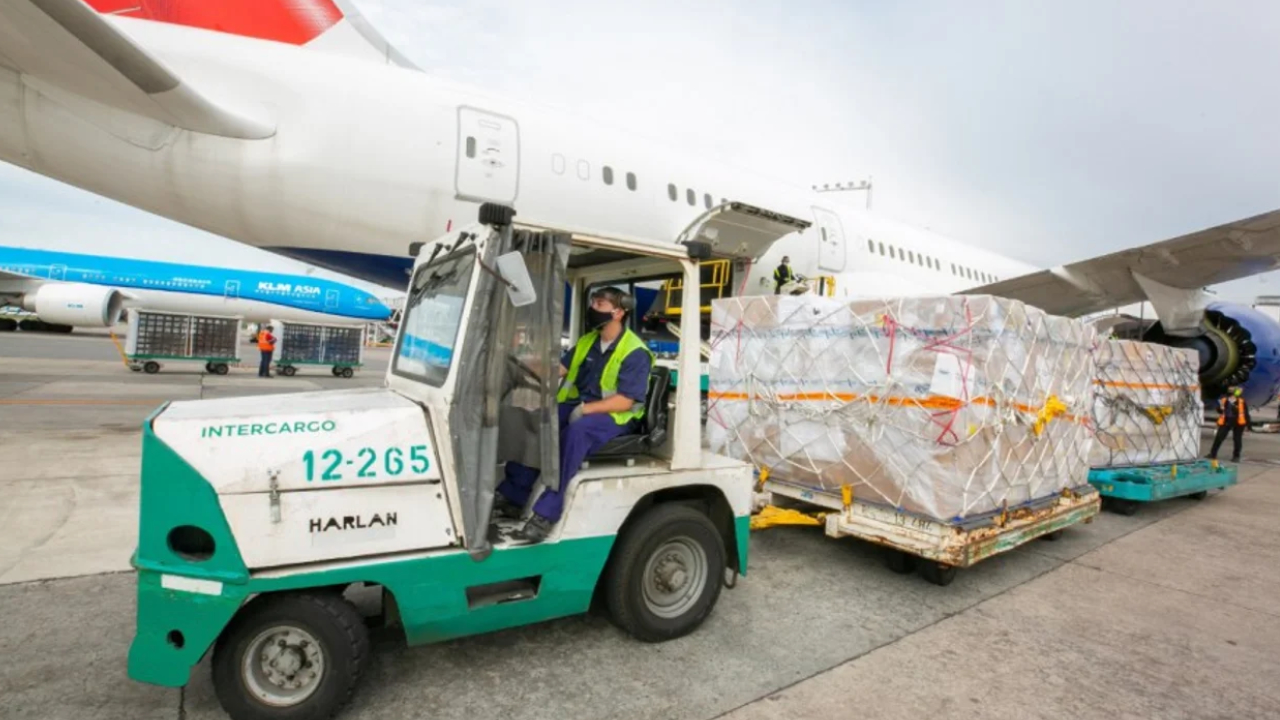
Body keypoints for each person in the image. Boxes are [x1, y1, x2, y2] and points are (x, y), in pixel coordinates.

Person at [495, 286, 654, 542]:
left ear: (619, 311)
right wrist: (520, 363)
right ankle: (514, 495)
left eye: (600, 304)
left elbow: (625, 401)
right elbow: (559, 368)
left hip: (616, 417)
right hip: (584, 406)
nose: (593, 309)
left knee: (575, 433)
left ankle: (547, 513)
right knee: (539, 419)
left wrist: (585, 409)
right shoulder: (588, 341)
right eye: (593, 303)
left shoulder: (634, 351)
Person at [1207, 386, 1250, 462]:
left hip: (1238, 423)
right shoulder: (1224, 400)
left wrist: (1248, 425)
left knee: (1237, 439)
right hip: (1226, 421)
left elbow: (1245, 413)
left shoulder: (1241, 401)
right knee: (1219, 437)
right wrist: (1221, 408)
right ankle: (1213, 454)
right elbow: (1219, 411)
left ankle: (1236, 456)